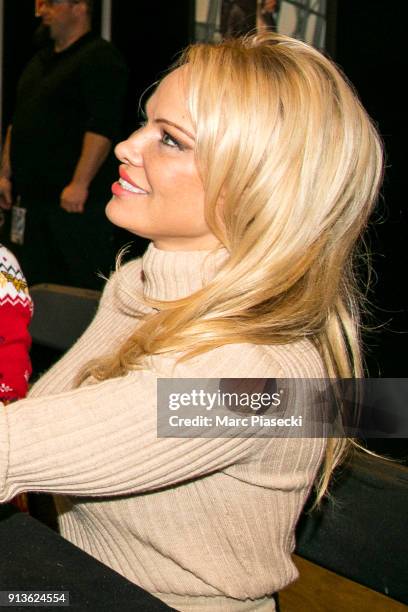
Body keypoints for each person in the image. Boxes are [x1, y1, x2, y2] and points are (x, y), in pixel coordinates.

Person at [0, 33, 383, 611]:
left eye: (171, 140)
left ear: (257, 186)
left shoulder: (259, 378)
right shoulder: (141, 285)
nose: (128, 146)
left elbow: (12, 448)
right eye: (146, 124)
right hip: (73, 583)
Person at [0, 0, 128, 290]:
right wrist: (5, 175)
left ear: (79, 7)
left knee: (75, 284)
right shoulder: (39, 61)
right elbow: (17, 121)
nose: (43, 11)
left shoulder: (100, 58)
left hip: (72, 206)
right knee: (28, 281)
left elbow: (102, 127)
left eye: (52, 3)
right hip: (32, 202)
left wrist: (79, 184)